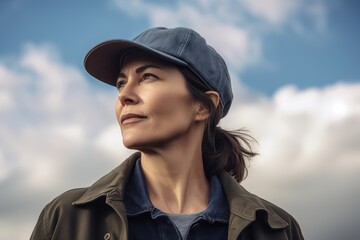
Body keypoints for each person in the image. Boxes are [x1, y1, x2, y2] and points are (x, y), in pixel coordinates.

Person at [30, 27, 304, 240]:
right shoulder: (65, 218)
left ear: (202, 106)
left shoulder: (277, 229)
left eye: (148, 76)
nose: (124, 95)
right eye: (121, 83)